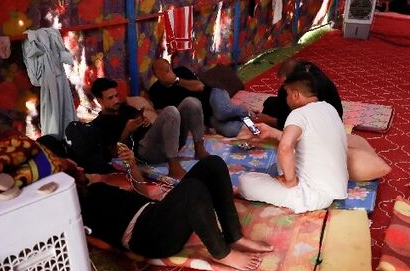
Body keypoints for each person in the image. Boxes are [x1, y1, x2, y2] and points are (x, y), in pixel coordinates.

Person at [66, 148, 272, 271]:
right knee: (193, 191)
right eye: (76, 170)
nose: (82, 169)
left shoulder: (96, 188)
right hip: (147, 236)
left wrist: (132, 166)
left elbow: (142, 195)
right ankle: (222, 253)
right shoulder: (75, 210)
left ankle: (234, 236)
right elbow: (86, 239)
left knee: (213, 164)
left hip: (155, 213)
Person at [238, 70, 348, 213]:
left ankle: (288, 183)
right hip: (336, 188)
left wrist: (290, 181)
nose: (287, 98)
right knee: (279, 163)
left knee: (245, 182)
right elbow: (306, 139)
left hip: (310, 195)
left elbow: (285, 146)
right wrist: (272, 132)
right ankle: (285, 180)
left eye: (288, 94)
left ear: (295, 95)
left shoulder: (298, 114)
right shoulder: (328, 108)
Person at [90, 77, 208, 179]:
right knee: (171, 111)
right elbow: (113, 153)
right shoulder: (99, 124)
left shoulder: (125, 109)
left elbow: (148, 123)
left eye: (116, 95)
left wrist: (144, 121)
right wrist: (127, 130)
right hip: (146, 151)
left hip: (167, 142)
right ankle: (173, 166)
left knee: (191, 102)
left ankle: (199, 148)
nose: (116, 100)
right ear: (100, 100)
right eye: (110, 98)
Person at [148, 58, 250, 138]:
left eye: (168, 69)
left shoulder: (181, 71)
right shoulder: (155, 90)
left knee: (221, 112)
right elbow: (162, 111)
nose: (167, 73)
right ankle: (240, 117)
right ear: (156, 75)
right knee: (231, 131)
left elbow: (199, 87)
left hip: (213, 95)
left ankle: (245, 111)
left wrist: (176, 80)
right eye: (162, 72)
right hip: (205, 116)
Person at [254, 60, 343, 130]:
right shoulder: (304, 69)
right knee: (270, 103)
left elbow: (302, 124)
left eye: (286, 86)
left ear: (296, 94)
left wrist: (271, 121)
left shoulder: (317, 88)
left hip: (323, 122)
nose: (283, 87)